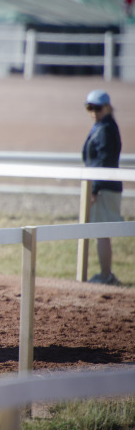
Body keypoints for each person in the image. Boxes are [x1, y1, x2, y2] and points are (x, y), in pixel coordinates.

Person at [83, 89, 123, 286]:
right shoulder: (102, 126)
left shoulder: (106, 129)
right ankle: (105, 274)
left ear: (107, 107)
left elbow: (104, 161)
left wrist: (94, 189)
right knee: (100, 232)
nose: (93, 112)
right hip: (104, 186)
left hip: (104, 188)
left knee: (102, 232)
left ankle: (106, 275)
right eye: (89, 107)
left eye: (97, 108)